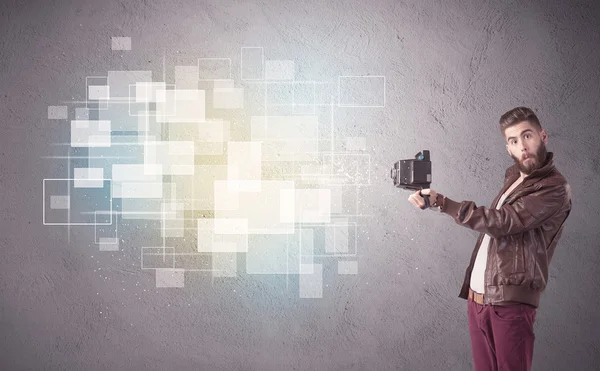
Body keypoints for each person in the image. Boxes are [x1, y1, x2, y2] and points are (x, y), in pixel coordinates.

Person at [407, 107, 572, 371]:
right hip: (479, 300)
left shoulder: (554, 188)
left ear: (543, 136)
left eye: (527, 136)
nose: (523, 146)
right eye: (514, 141)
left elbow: (503, 222)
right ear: (508, 149)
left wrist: (443, 202)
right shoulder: (515, 178)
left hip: (510, 304)